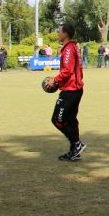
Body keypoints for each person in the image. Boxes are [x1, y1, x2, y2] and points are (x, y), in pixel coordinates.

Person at [43, 22, 86, 161]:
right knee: (71, 120)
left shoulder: (68, 49)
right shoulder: (73, 46)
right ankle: (75, 151)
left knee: (57, 119)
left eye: (59, 31)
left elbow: (67, 70)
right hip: (75, 89)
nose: (58, 33)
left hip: (71, 90)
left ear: (66, 33)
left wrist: (54, 80)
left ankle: (77, 143)